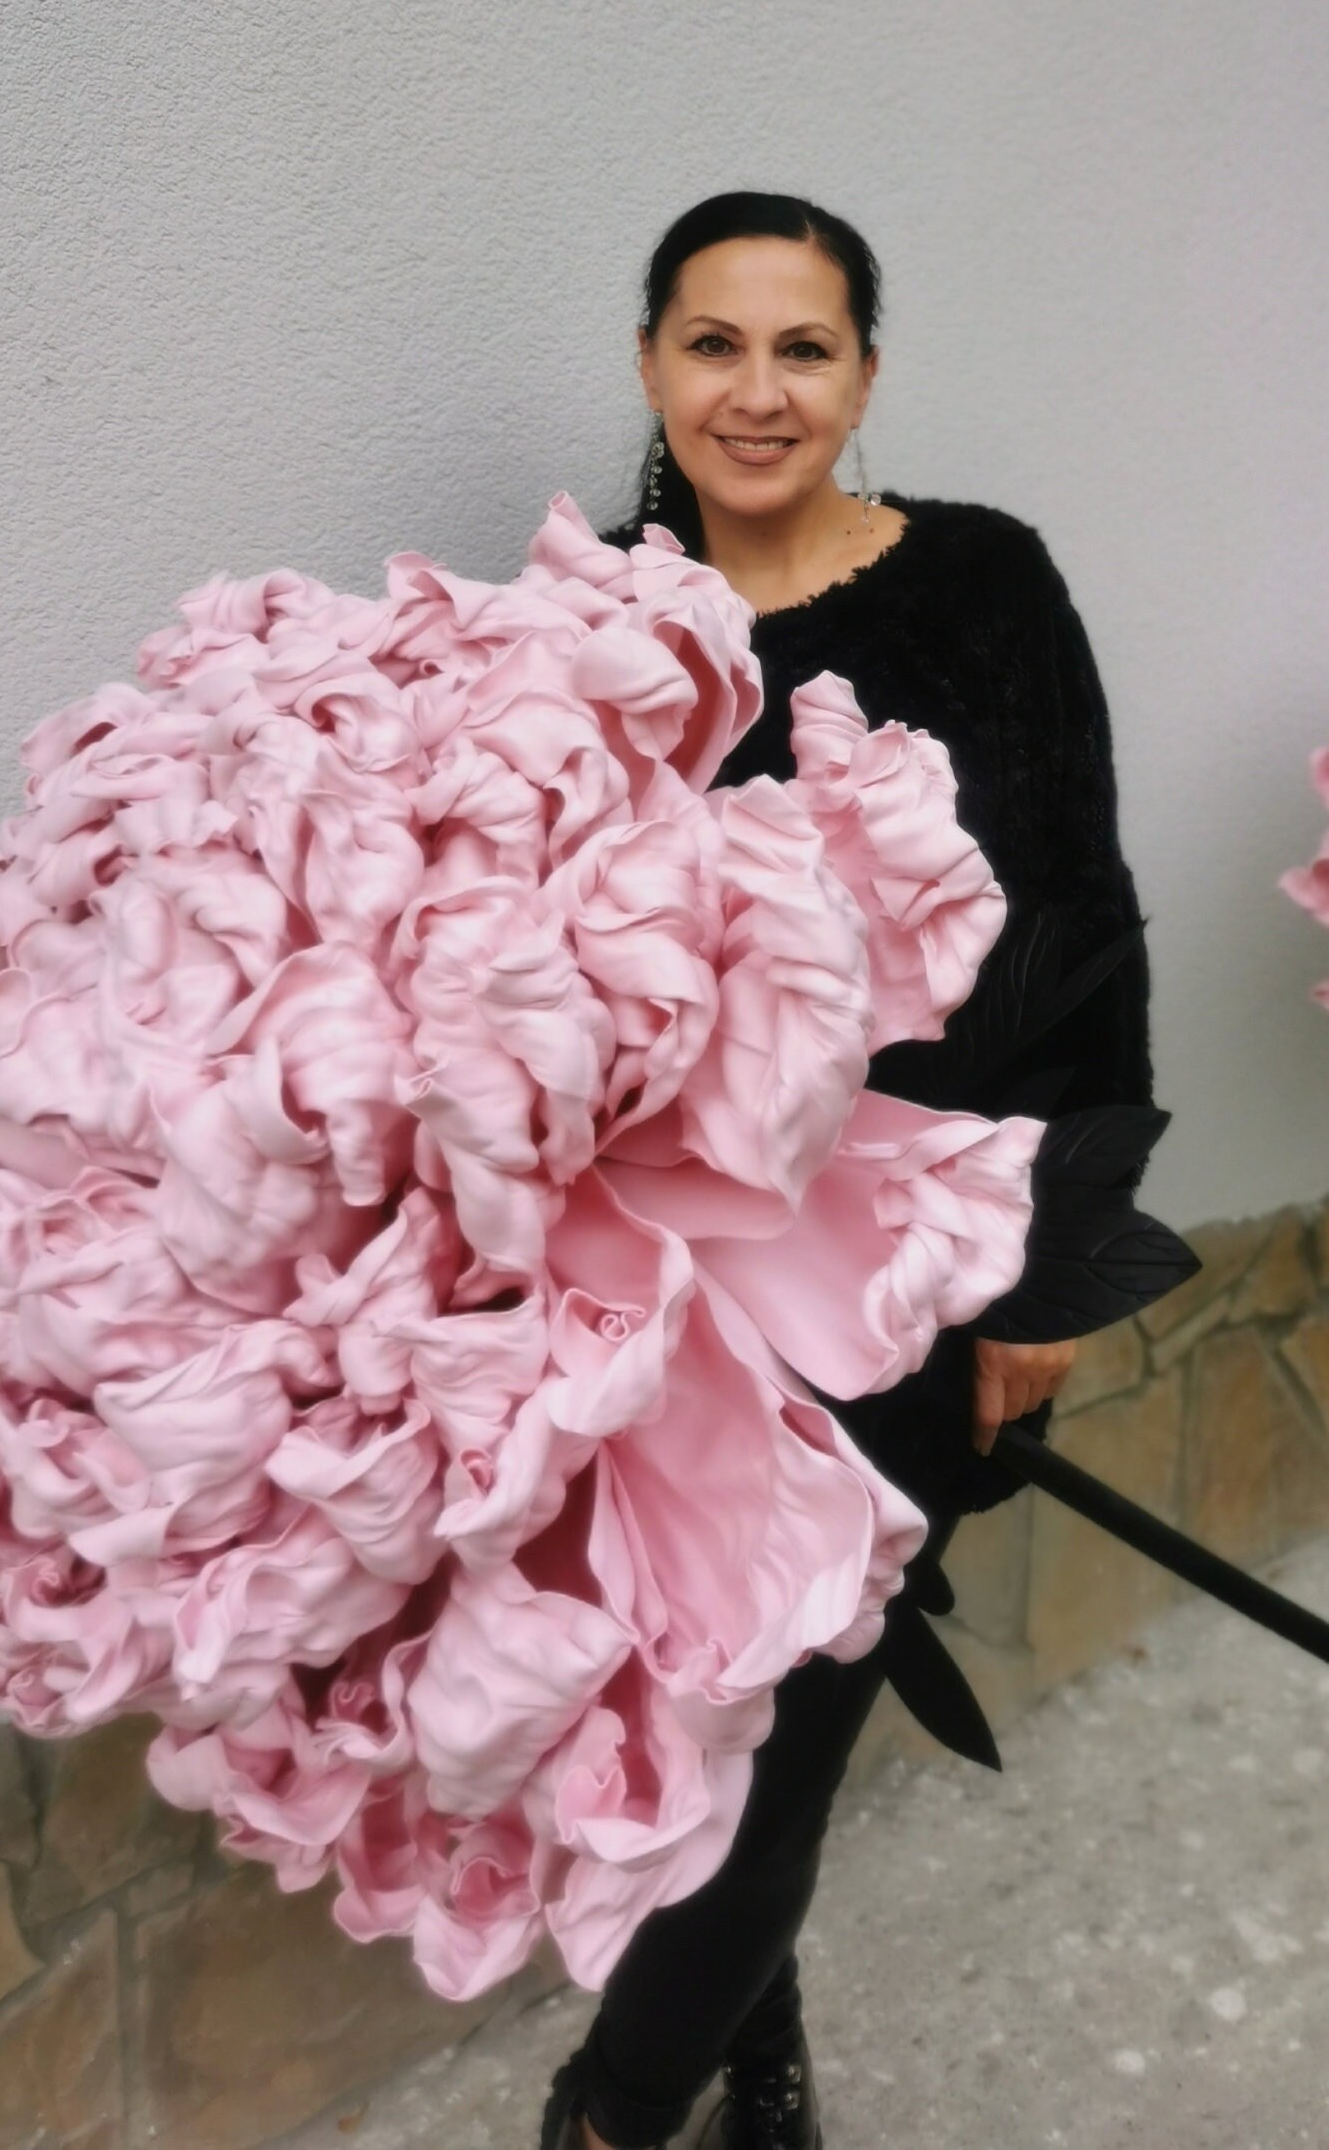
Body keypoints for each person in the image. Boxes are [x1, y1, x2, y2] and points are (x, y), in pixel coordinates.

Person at [538, 189, 1192, 2150]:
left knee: (797, 1711)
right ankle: (764, 2057)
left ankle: (610, 2113)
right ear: (652, 366)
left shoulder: (981, 581)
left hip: (909, 1269)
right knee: (710, 1712)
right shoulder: (594, 625)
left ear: (865, 376)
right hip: (668, 1291)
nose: (757, 389)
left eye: (801, 346)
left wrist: (1038, 1275)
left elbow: (1079, 916)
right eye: (713, 344)